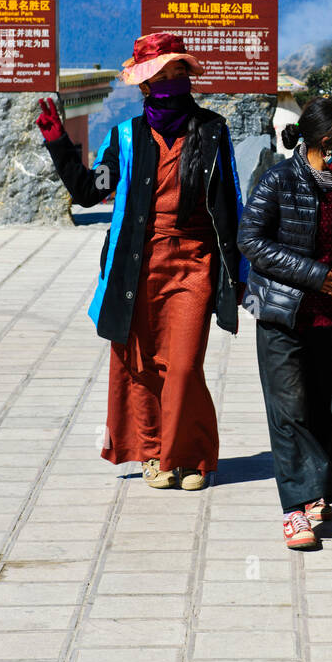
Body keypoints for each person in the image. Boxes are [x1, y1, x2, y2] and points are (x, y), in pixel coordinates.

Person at [36, 31, 245, 492]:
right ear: (145, 85)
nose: (173, 82)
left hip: (194, 263)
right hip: (138, 264)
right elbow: (91, 192)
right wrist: (58, 142)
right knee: (142, 362)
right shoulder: (126, 137)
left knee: (185, 365)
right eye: (162, 75)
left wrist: (242, 274)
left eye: (179, 73)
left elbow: (232, 203)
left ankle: (189, 454)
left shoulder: (212, 131)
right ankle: (154, 454)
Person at [237, 96, 332, 551]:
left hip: (331, 312)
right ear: (329, 142)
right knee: (289, 410)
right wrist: (315, 274)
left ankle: (319, 492)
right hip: (282, 313)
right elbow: (249, 240)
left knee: (330, 407)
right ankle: (295, 509)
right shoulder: (278, 179)